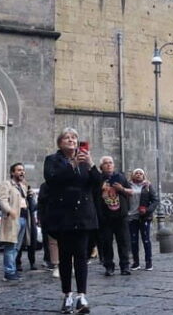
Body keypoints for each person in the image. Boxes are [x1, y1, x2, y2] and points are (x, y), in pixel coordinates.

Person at [44, 128, 101, 313]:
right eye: (67, 138)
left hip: (83, 215)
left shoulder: (85, 160)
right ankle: (67, 295)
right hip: (63, 215)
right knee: (65, 257)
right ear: (60, 143)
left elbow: (97, 183)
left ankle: (82, 296)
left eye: (74, 137)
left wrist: (91, 164)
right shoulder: (53, 160)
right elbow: (52, 179)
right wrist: (72, 165)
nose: (71, 140)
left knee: (81, 256)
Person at [94, 156, 133, 277]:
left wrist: (121, 188)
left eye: (110, 163)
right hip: (105, 216)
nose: (108, 165)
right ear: (101, 167)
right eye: (105, 163)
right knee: (106, 243)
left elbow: (131, 192)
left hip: (121, 215)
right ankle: (109, 266)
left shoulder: (120, 177)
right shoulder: (98, 179)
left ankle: (125, 266)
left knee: (123, 242)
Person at [0, 163, 32, 281]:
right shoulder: (6, 185)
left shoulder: (23, 186)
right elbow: (2, 201)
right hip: (13, 219)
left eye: (23, 170)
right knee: (10, 246)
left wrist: (31, 194)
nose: (22, 172)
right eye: (19, 170)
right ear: (12, 172)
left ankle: (12, 269)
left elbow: (26, 202)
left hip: (23, 218)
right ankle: (9, 272)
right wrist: (10, 211)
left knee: (17, 247)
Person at [127, 168, 158, 271]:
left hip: (144, 217)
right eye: (136, 173)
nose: (139, 175)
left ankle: (149, 263)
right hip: (131, 217)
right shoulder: (128, 185)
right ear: (133, 175)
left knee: (146, 240)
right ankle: (136, 263)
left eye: (141, 173)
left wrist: (148, 210)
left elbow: (155, 200)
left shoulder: (147, 186)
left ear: (143, 176)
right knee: (133, 241)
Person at [16, 182, 38, 271]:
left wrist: (31, 197)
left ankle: (32, 262)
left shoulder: (30, 194)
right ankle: (18, 263)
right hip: (19, 219)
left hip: (30, 220)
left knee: (32, 242)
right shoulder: (16, 193)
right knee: (19, 243)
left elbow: (33, 207)